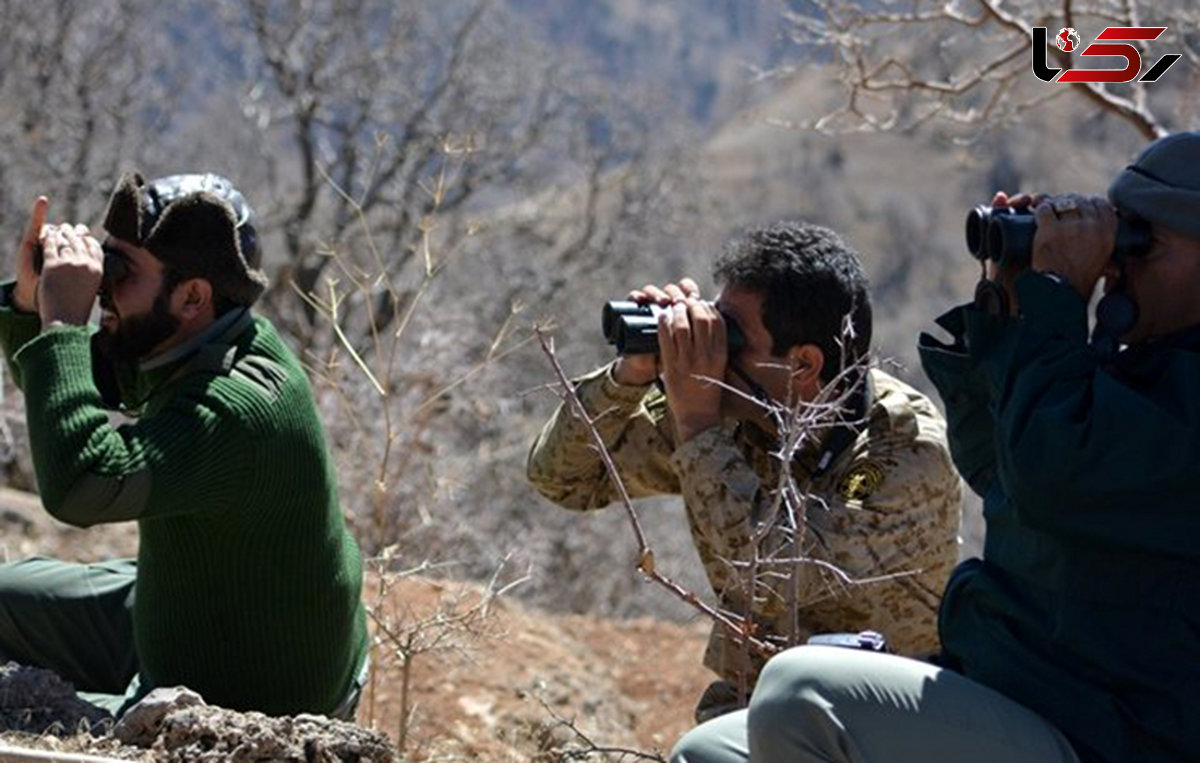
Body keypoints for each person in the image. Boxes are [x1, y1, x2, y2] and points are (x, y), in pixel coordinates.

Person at [670, 132, 1200, 763]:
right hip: (1011, 691)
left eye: (1145, 242)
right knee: (712, 752)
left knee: (802, 692)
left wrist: (1058, 296)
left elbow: (1049, 474)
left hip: (1107, 733)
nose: (1118, 260)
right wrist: (1010, 304)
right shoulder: (1136, 367)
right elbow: (993, 467)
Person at [527, 220, 962, 721]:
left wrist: (696, 422)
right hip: (760, 701)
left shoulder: (905, 451)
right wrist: (632, 375)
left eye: (729, 337)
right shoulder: (738, 414)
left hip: (884, 716)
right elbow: (562, 478)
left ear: (801, 364)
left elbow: (770, 581)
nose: (711, 352)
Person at [0, 172, 369, 719]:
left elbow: (82, 486)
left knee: (16, 708)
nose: (102, 287)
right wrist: (35, 306)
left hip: (244, 689)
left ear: (192, 295)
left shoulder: (237, 405)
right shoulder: (201, 337)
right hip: (199, 603)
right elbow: (75, 380)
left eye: (119, 273)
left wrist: (63, 323)